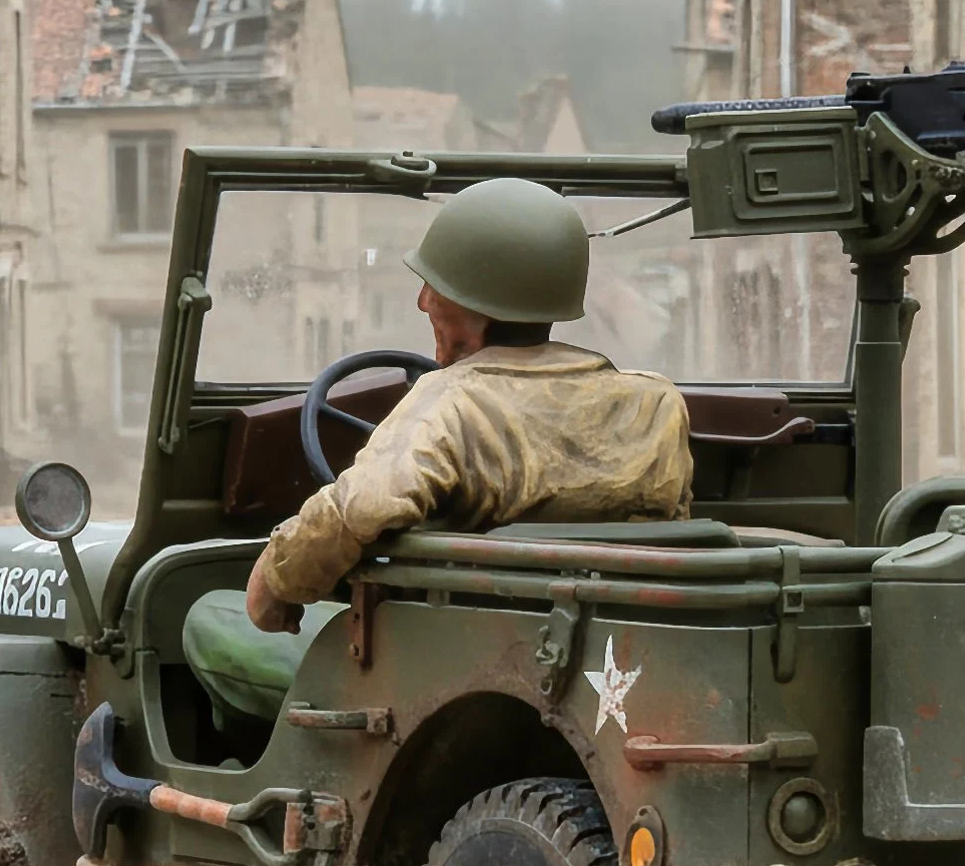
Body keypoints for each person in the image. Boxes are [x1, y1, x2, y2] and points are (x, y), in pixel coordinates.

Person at [180, 178, 694, 724]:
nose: (423, 300)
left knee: (208, 620)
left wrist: (274, 582)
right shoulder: (653, 403)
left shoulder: (450, 400)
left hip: (454, 666)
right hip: (618, 661)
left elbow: (361, 507)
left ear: (477, 306)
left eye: (436, 287)